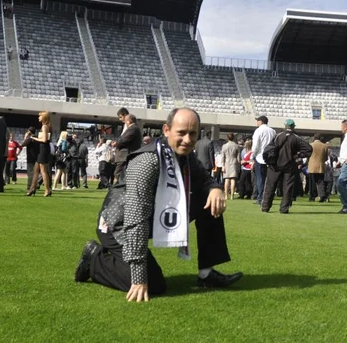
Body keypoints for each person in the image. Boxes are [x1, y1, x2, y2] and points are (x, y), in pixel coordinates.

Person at [73, 108, 243, 300]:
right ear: (166, 130)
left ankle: (206, 274)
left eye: (192, 133)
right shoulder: (147, 161)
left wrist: (215, 189)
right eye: (181, 133)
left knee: (209, 199)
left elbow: (204, 178)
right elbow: (135, 219)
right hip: (117, 225)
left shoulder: (185, 155)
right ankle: (95, 258)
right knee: (154, 285)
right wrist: (138, 277)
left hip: (152, 217)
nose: (187, 139)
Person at [261, 119, 312, 214]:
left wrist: (268, 161)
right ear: (293, 127)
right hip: (290, 166)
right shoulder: (297, 138)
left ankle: (265, 207)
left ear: (285, 126)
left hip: (275, 165)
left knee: (270, 186)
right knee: (287, 188)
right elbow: (309, 149)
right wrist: (298, 156)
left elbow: (267, 149)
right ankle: (284, 208)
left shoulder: (278, 136)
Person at [250, 116, 276, 205]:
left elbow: (256, 145)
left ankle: (260, 197)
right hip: (270, 158)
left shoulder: (258, 130)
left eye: (258, 121)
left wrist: (252, 156)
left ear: (261, 121)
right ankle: (267, 197)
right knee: (268, 179)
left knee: (260, 179)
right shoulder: (273, 131)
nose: (257, 122)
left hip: (260, 157)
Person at [28, 111, 52, 197]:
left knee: (43, 170)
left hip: (43, 149)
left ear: (44, 117)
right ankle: (32, 188)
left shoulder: (45, 127)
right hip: (42, 149)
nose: (38, 118)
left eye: (40, 116)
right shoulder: (45, 126)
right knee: (36, 169)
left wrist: (34, 138)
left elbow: (44, 140)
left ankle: (47, 189)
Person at [113, 113, 142, 184]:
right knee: (121, 174)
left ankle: (124, 188)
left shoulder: (133, 129)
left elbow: (124, 140)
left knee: (119, 173)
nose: (125, 123)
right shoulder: (134, 128)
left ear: (128, 121)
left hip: (125, 155)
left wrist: (116, 143)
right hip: (126, 155)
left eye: (125, 121)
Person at [307, 133, 329, 202]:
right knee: (321, 181)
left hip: (312, 166)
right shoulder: (325, 146)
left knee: (312, 182)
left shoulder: (310, 145)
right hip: (320, 166)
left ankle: (312, 197)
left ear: (314, 138)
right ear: (320, 138)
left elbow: (307, 155)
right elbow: (326, 158)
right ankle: (322, 195)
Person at [220, 133, 240, 200]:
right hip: (234, 162)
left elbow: (222, 157)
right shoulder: (236, 146)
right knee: (233, 179)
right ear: (233, 138)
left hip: (227, 163)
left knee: (227, 179)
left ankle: (225, 195)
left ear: (227, 138)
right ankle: (232, 195)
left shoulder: (224, 146)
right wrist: (238, 164)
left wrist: (222, 165)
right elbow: (238, 158)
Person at [20, 127, 40, 191]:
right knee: (35, 172)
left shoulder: (30, 139)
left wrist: (25, 137)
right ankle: (36, 184)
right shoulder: (37, 138)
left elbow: (22, 144)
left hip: (30, 157)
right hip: (37, 157)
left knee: (30, 172)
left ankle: (30, 186)